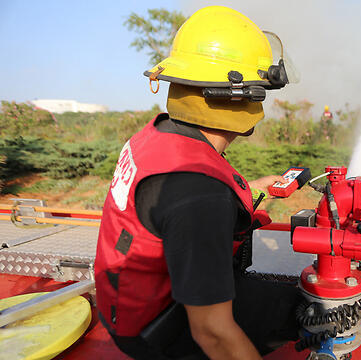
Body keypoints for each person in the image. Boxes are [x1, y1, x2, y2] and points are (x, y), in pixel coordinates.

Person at [94, 6, 300, 359]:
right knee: (305, 307)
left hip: (131, 309)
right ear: (241, 96)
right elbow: (213, 333)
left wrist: (255, 186)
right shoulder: (200, 194)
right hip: (160, 332)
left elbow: (171, 206)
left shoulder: (159, 139)